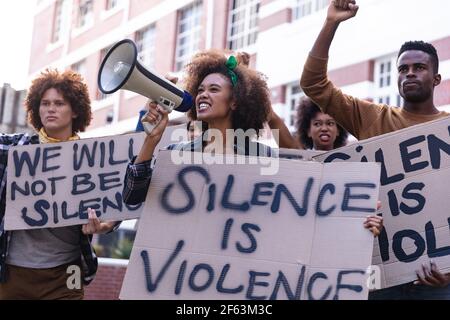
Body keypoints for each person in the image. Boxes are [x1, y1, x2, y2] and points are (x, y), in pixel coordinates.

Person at [300, 0, 450, 298]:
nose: (409, 73)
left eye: (419, 68)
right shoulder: (372, 117)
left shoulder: (446, 130)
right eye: (402, 69)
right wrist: (331, 23)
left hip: (439, 280)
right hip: (382, 276)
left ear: (435, 79)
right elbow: (313, 84)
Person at [0, 69, 118, 300]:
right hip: (12, 272)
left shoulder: (93, 160)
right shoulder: (14, 150)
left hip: (66, 274)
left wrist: (106, 225)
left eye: (59, 103)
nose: (50, 109)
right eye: (44, 103)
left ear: (75, 110)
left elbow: (119, 201)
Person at [123, 49, 274, 205]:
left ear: (234, 101)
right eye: (200, 90)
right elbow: (132, 197)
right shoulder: (175, 153)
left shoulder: (263, 156)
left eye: (214, 89)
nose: (202, 95)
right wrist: (151, 140)